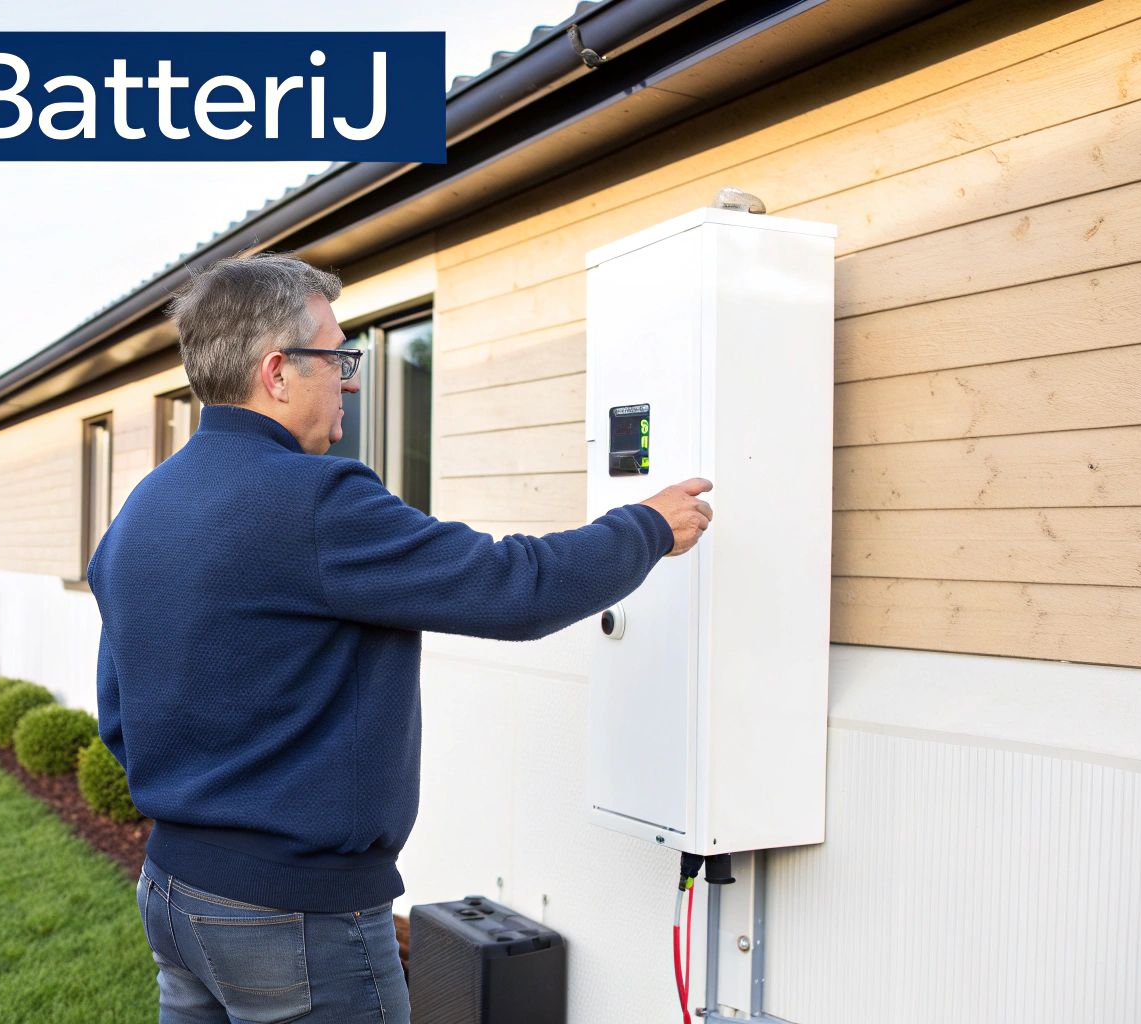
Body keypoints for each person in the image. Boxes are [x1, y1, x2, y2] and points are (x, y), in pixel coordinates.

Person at [89, 253, 713, 1023]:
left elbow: (120, 719)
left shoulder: (142, 509)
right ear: (277, 372)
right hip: (296, 914)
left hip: (175, 894)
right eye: (339, 357)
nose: (351, 378)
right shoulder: (315, 500)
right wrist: (647, 527)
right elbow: (512, 588)